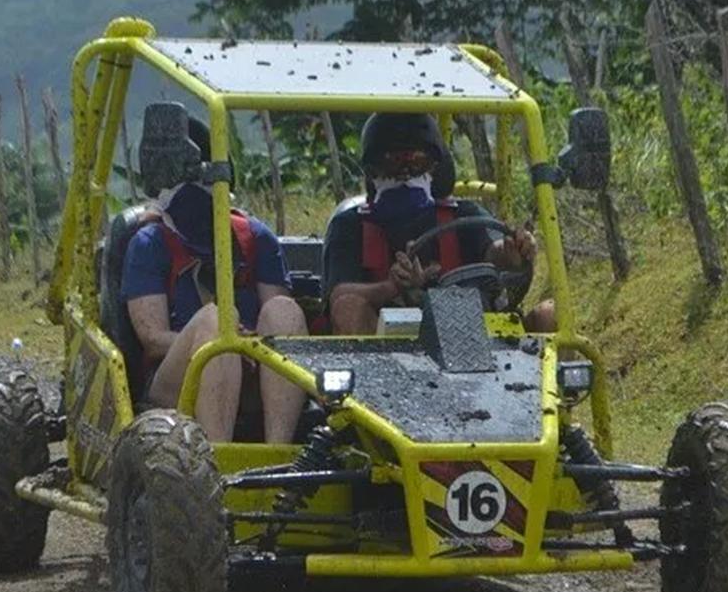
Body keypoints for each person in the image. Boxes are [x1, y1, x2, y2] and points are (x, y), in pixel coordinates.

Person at [121, 103, 307, 442]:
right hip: (176, 381)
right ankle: (217, 454)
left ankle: (279, 450)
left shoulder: (254, 237)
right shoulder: (150, 243)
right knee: (216, 321)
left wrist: (248, 344)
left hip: (252, 372)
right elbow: (152, 340)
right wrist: (226, 339)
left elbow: (279, 316)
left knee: (284, 310)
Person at [324, 112, 553, 335]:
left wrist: (513, 251)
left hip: (473, 330)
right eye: (394, 161)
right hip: (388, 341)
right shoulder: (351, 224)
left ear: (434, 166)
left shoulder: (463, 214)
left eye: (417, 161)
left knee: (551, 313)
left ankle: (560, 365)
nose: (406, 173)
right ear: (372, 168)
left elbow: (493, 250)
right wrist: (391, 287)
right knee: (348, 308)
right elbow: (339, 295)